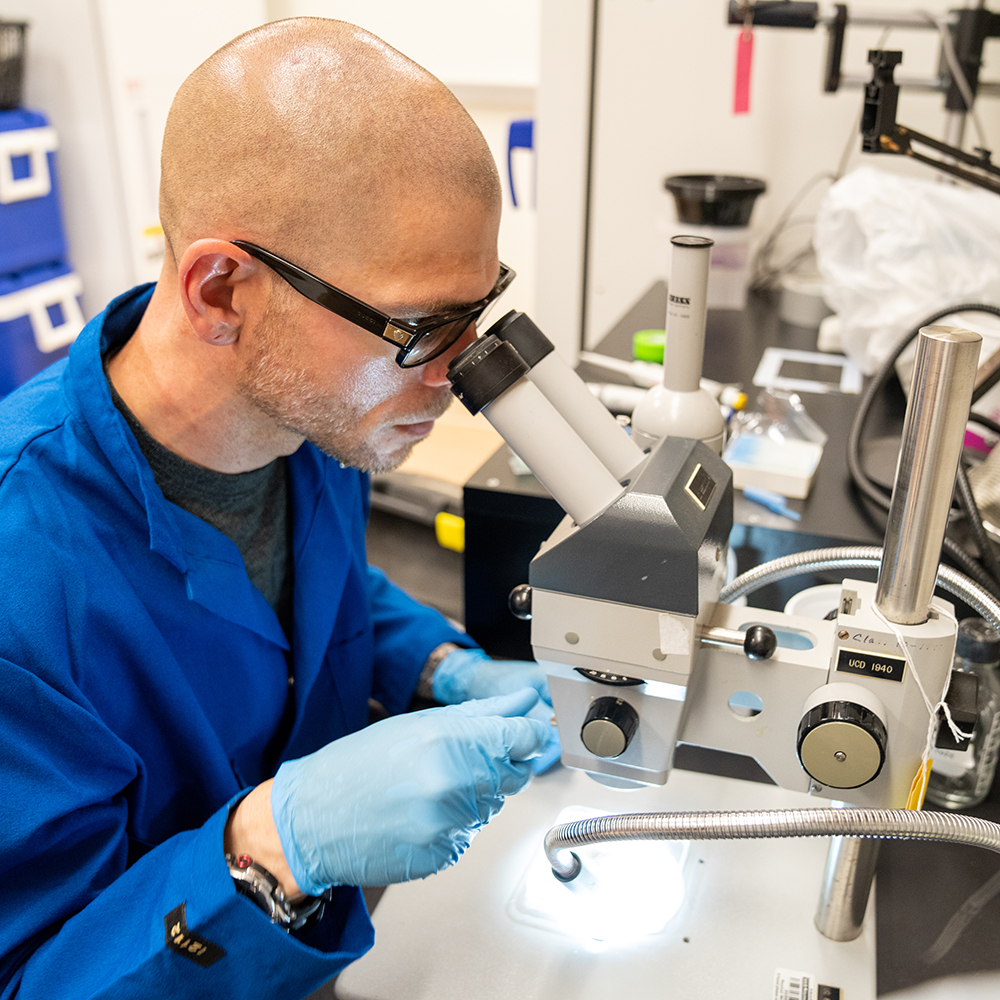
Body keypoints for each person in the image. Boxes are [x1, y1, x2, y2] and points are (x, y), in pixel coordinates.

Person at [0, 18, 558, 999]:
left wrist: (435, 664)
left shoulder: (313, 417)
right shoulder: (21, 580)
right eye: (423, 329)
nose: (461, 377)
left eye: (480, 309)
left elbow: (323, 591)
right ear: (222, 292)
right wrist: (269, 851)